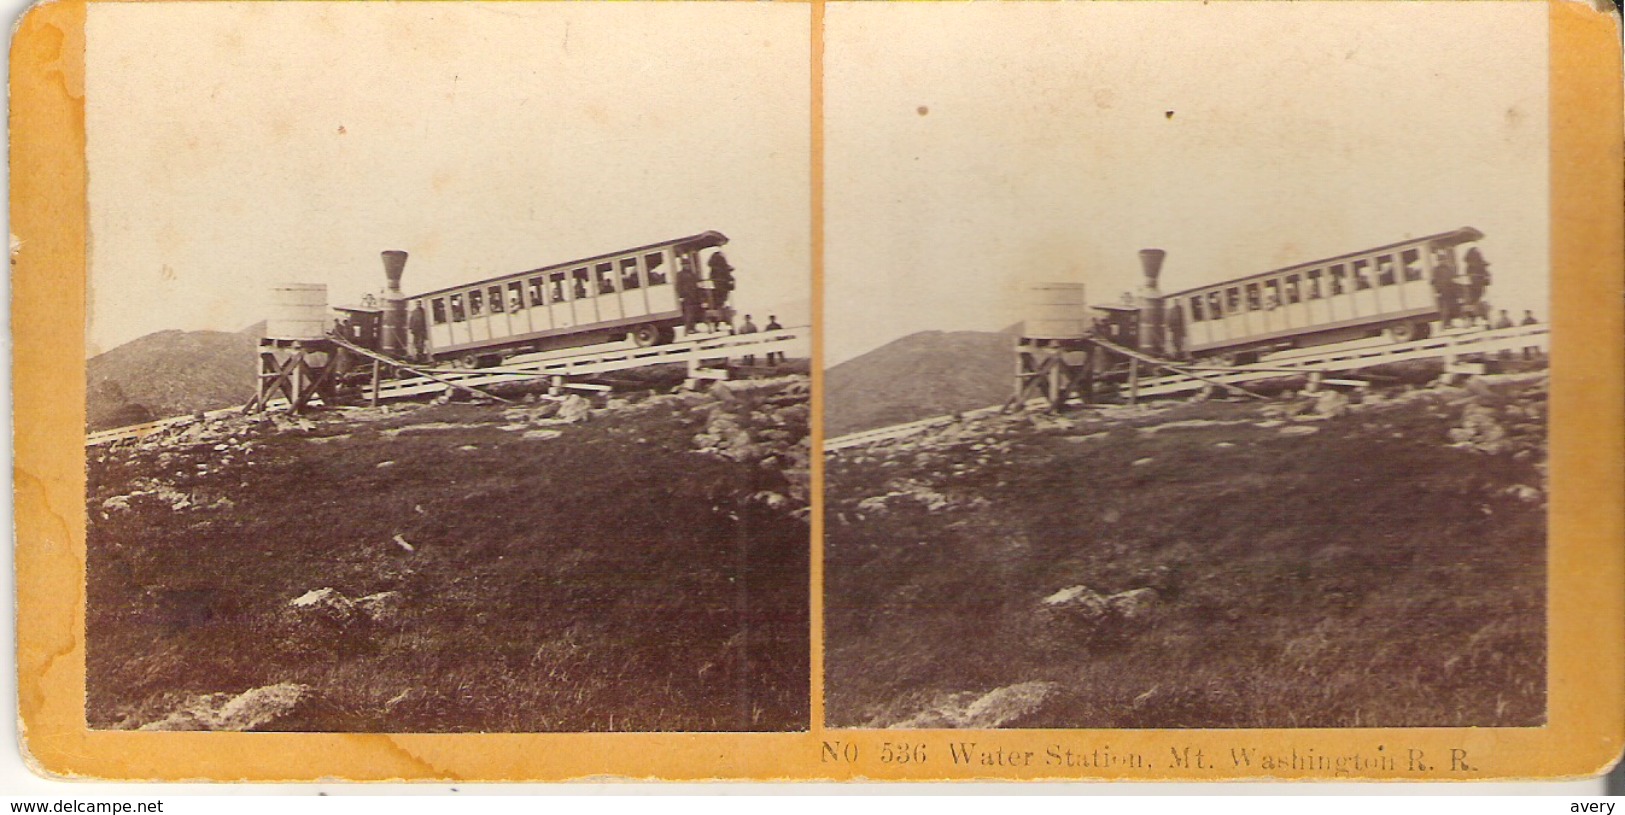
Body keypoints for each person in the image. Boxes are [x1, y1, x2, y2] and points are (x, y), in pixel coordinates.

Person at [676, 257, 702, 334]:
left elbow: (698, 283)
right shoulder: (680, 275)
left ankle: (692, 328)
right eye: (685, 264)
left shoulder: (692, 274)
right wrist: (681, 296)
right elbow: (678, 286)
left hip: (694, 296)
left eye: (687, 264)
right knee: (689, 313)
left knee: (694, 312)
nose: (687, 266)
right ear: (682, 265)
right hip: (686, 296)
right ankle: (687, 330)